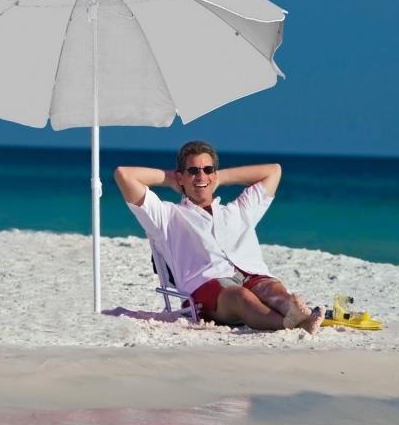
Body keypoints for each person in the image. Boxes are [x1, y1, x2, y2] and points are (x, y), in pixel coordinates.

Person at [114, 140, 325, 333]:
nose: (201, 176)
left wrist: (220, 178)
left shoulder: (237, 210)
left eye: (208, 170)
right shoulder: (167, 216)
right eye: (193, 171)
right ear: (181, 177)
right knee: (240, 296)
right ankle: (289, 323)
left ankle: (298, 315)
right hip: (207, 287)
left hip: (252, 275)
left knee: (272, 288)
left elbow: (274, 171)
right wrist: (171, 179)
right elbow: (124, 175)